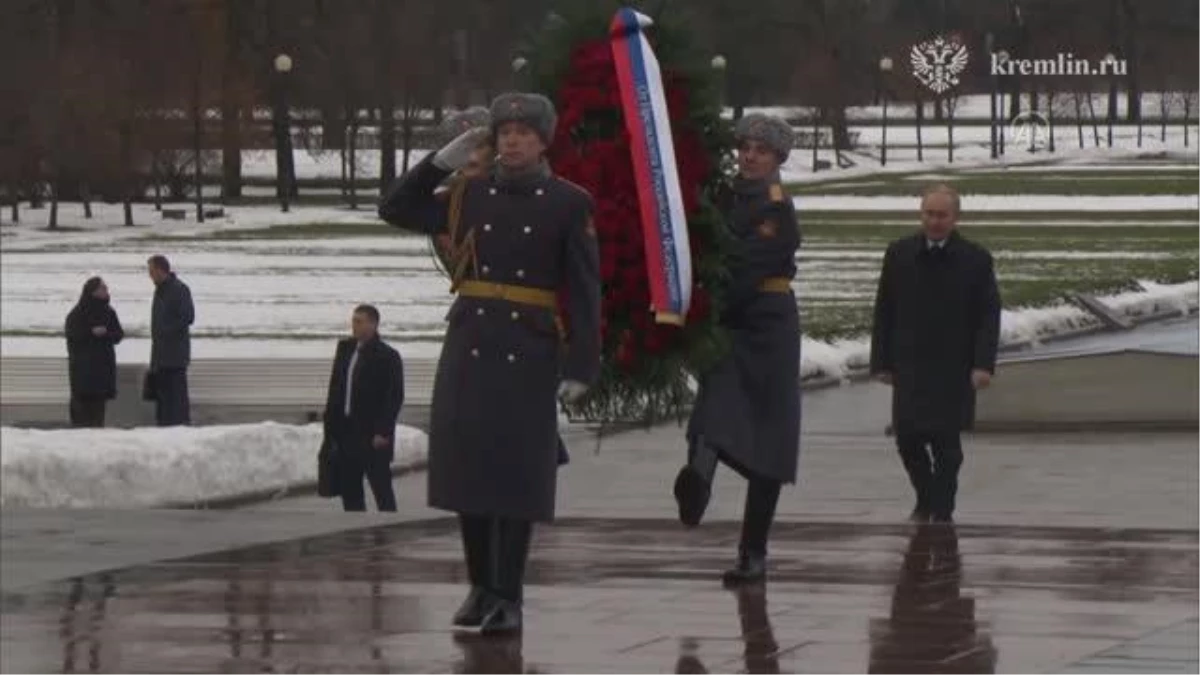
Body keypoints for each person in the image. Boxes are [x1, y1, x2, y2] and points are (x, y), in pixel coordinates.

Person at [378, 92, 601, 635]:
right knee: (468, 471)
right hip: (472, 340)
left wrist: (581, 365)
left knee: (517, 475)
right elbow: (396, 209)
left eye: (524, 134)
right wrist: (438, 163)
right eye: (504, 134)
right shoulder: (467, 194)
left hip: (528, 346)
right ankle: (480, 586)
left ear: (543, 141)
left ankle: (509, 594)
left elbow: (585, 289)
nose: (513, 142)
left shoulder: (568, 203)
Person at [674, 113, 802, 587]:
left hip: (766, 324)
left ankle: (753, 552)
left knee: (769, 438)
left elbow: (748, 267)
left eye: (761, 150)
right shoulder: (722, 195)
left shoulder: (776, 208)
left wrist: (703, 307)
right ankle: (699, 484)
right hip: (729, 320)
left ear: (777, 159)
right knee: (714, 403)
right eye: (745, 147)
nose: (749, 156)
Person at [869, 184, 1001, 524]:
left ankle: (941, 509)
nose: (935, 221)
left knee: (947, 445)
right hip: (910, 363)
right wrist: (881, 361)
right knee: (908, 439)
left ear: (955, 218)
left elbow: (988, 316)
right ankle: (926, 497)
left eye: (942, 215)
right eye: (929, 214)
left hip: (953, 366)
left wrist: (983, 364)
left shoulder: (975, 259)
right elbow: (884, 309)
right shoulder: (899, 254)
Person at [321, 304, 405, 512]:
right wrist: (330, 427)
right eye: (353, 321)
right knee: (350, 489)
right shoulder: (345, 349)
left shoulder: (388, 356)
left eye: (359, 321)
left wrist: (383, 431)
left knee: (381, 488)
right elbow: (335, 389)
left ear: (373, 324)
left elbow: (394, 396)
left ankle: (389, 529)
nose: (354, 326)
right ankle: (355, 530)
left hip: (372, 434)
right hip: (346, 431)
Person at [64, 277, 124, 427]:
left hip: (102, 374)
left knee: (98, 416)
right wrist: (91, 332)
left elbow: (118, 334)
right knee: (81, 418)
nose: (106, 291)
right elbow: (73, 335)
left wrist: (106, 333)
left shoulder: (109, 312)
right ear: (93, 291)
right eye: (103, 288)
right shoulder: (77, 313)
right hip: (82, 374)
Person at [147, 254, 195, 426]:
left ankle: (179, 425)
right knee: (164, 399)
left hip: (174, 355)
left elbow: (188, 317)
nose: (150, 275)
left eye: (151, 271)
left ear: (161, 270)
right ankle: (164, 425)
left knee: (176, 397)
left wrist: (165, 331)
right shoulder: (160, 290)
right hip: (161, 355)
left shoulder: (179, 289)